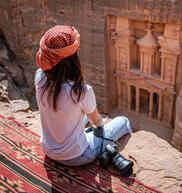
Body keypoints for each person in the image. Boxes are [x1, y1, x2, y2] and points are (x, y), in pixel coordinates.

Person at [34, 25, 132, 166]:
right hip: (77, 156)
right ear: (74, 56)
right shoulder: (81, 91)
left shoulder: (39, 77)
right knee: (123, 122)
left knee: (81, 114)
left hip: (48, 149)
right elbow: (97, 122)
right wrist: (100, 125)